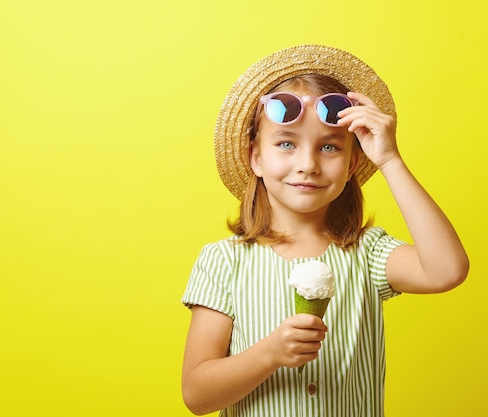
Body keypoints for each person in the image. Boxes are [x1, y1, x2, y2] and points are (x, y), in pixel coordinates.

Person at [181, 44, 469, 417]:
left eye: (329, 147)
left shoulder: (368, 253)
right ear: (256, 157)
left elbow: (448, 270)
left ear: (352, 164)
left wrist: (389, 159)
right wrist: (269, 353)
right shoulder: (223, 261)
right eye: (286, 143)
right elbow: (197, 395)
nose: (308, 164)